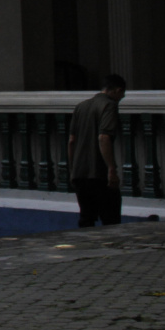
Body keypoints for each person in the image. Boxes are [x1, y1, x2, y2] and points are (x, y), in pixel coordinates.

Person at [67, 73, 127, 227]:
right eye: (122, 95)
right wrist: (111, 169)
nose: (121, 99)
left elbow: (72, 141)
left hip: (80, 173)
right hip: (99, 173)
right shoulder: (109, 105)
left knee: (87, 218)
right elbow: (104, 137)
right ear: (117, 90)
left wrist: (73, 169)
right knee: (110, 219)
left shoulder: (81, 106)